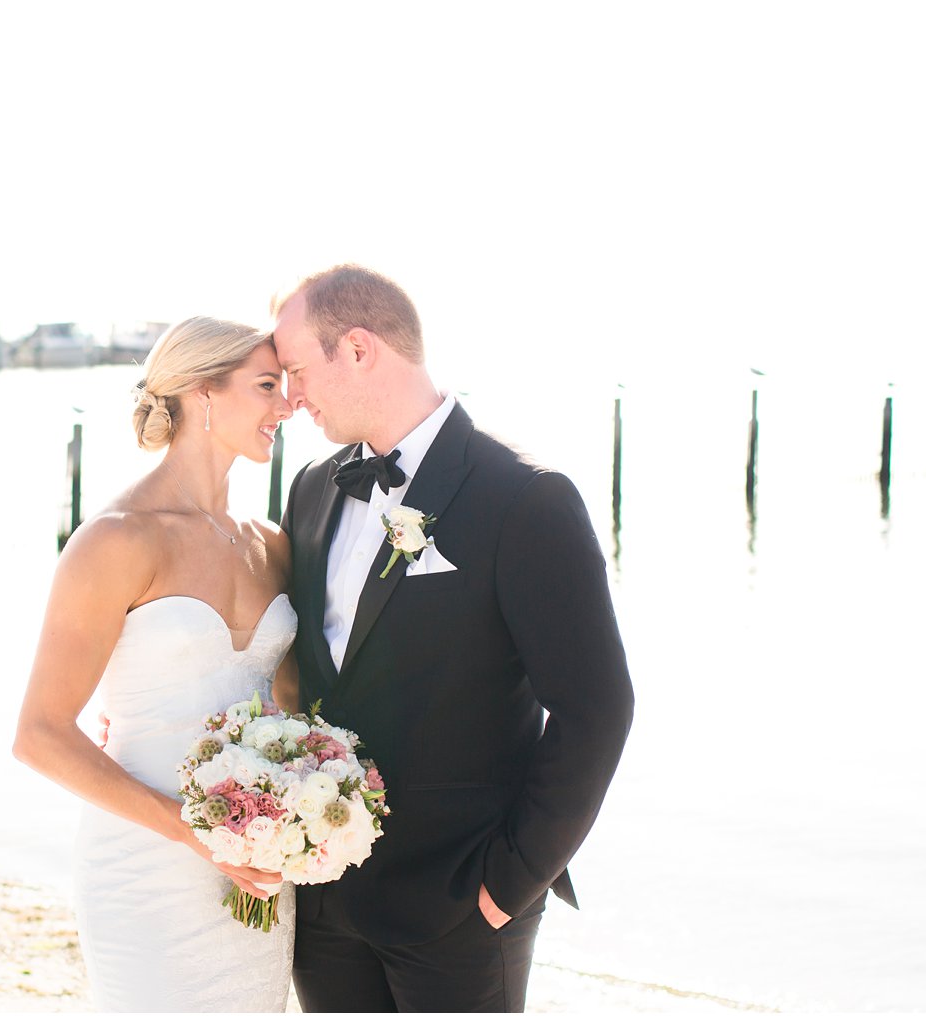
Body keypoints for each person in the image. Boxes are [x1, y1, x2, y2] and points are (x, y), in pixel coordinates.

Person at [272, 265, 634, 1013]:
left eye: (299, 370)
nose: (291, 396)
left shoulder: (525, 498)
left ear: (361, 349)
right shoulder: (311, 488)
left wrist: (510, 881)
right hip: (325, 905)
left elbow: (596, 711)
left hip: (460, 907)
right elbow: (303, 670)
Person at [13, 316, 298, 1012]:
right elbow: (40, 734)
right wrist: (198, 833)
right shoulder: (114, 541)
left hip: (256, 871)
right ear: (203, 392)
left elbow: (293, 714)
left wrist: (312, 812)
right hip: (144, 869)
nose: (286, 406)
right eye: (266, 386)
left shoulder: (274, 544)